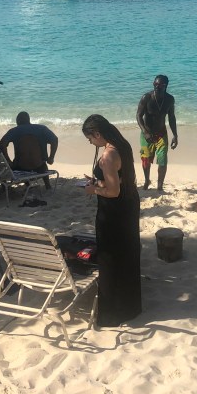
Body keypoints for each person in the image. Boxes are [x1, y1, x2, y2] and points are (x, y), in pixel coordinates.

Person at [81, 114, 142, 327]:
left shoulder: (107, 155)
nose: (90, 142)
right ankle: (130, 305)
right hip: (129, 203)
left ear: (97, 134)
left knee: (110, 256)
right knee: (127, 252)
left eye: (89, 138)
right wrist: (99, 181)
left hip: (115, 210)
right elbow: (121, 180)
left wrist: (93, 189)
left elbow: (113, 192)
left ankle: (114, 312)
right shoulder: (122, 145)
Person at [135, 74, 178, 191]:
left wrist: (175, 135)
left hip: (161, 134)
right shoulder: (146, 98)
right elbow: (138, 116)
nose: (157, 87)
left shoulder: (169, 99)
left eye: (160, 85)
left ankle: (160, 186)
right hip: (146, 134)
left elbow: (172, 118)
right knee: (145, 159)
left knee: (163, 159)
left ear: (166, 86)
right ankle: (146, 180)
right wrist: (145, 132)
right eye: (155, 84)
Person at [0, 112, 58, 190]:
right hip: (39, 168)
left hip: (20, 168)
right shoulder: (42, 128)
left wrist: (8, 161)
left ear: (18, 122)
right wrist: (51, 157)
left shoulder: (14, 130)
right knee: (43, 164)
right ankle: (47, 185)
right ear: (29, 120)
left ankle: (5, 189)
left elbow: (2, 144)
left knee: (12, 165)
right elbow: (54, 140)